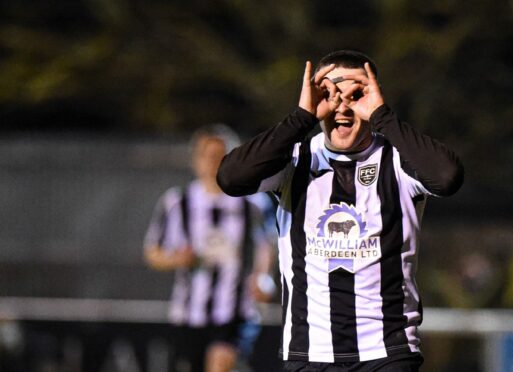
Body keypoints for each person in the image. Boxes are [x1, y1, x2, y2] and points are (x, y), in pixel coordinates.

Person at [216, 50, 464, 371]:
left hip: (386, 352)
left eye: (356, 94)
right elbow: (231, 178)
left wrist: (384, 117)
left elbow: (448, 177)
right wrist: (301, 117)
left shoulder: (399, 160)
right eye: (329, 93)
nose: (342, 106)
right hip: (309, 354)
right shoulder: (293, 159)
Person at [143, 125, 275, 372]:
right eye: (208, 155)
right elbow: (152, 252)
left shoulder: (253, 203)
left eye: (221, 155)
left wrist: (264, 279)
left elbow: (267, 245)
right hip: (188, 314)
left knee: (220, 364)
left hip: (235, 311)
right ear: (196, 160)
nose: (214, 162)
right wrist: (178, 259)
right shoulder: (176, 202)